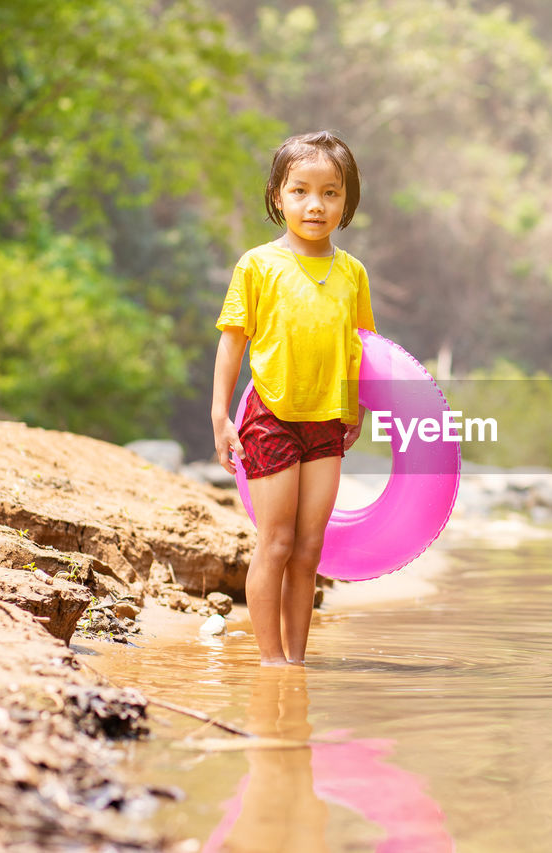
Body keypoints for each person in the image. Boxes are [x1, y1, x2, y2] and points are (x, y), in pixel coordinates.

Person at [210, 131, 375, 666]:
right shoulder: (258, 265)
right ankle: (270, 662)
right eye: (301, 190)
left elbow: (362, 349)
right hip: (272, 417)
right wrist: (219, 414)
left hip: (326, 423)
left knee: (308, 550)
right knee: (276, 543)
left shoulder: (352, 273)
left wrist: (359, 408)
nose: (315, 204)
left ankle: (296, 661)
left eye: (330, 192)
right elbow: (233, 341)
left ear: (346, 201)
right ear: (277, 196)